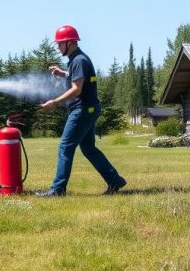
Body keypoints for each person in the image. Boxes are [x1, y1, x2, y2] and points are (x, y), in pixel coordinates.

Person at [37, 25, 127, 197]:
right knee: (89, 149)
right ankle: (115, 180)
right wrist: (63, 74)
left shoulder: (78, 60)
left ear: (69, 42)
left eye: (60, 44)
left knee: (65, 147)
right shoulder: (77, 60)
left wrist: (54, 102)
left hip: (82, 109)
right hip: (88, 109)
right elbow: (79, 79)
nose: (58, 47)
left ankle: (58, 189)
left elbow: (77, 89)